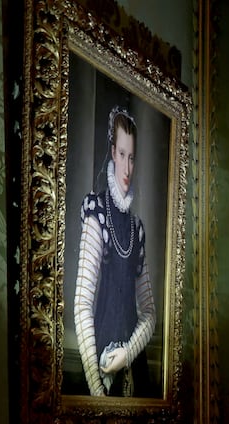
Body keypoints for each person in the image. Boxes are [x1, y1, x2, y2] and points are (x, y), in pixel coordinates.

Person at [73, 104, 157, 397]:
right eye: (122, 155)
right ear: (112, 153)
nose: (127, 167)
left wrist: (129, 354)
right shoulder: (96, 211)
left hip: (135, 366)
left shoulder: (137, 228)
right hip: (99, 364)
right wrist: (96, 389)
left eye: (132, 158)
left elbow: (149, 313)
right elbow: (82, 305)